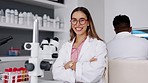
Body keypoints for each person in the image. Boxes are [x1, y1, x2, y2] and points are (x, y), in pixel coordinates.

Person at [52, 7, 107, 83]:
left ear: (88, 23)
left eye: (82, 20)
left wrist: (69, 65)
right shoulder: (65, 46)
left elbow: (95, 74)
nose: (77, 24)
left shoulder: (99, 45)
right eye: (74, 20)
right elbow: (56, 73)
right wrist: (86, 65)